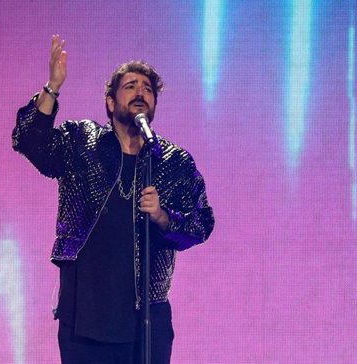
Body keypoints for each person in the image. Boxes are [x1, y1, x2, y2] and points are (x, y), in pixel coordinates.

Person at [12, 35, 215, 364]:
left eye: (148, 89)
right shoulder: (82, 141)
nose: (140, 93)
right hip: (86, 315)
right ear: (110, 102)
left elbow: (202, 224)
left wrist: (164, 217)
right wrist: (52, 87)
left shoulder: (173, 161)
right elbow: (30, 142)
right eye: (131, 86)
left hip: (146, 318)